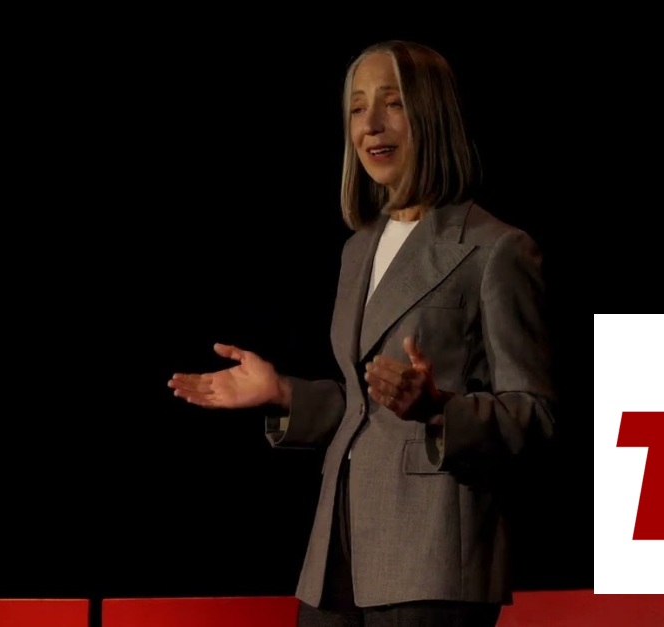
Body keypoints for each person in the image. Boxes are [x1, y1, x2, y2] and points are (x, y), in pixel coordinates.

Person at [169, 40, 555, 627]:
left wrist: (438, 409)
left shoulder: (496, 248)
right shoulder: (359, 249)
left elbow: (535, 414)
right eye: (356, 107)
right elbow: (366, 406)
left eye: (392, 103)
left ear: (432, 115)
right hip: (338, 550)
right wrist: (285, 394)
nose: (370, 124)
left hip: (433, 557)